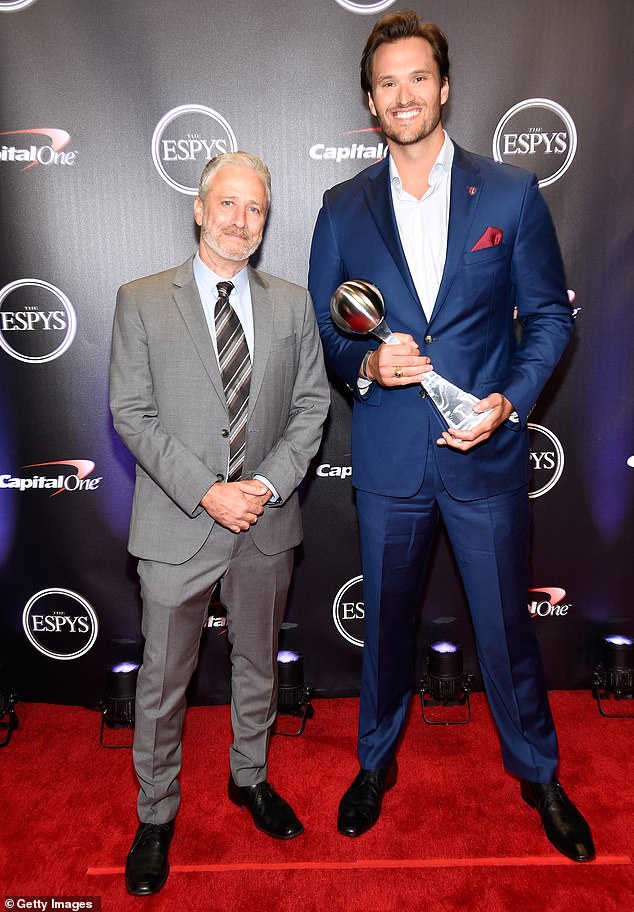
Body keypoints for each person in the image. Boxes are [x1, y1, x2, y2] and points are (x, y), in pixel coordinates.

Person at [308, 10, 593, 862]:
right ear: (371, 100)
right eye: (388, 82)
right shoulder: (339, 208)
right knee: (385, 624)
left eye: (418, 77)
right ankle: (373, 763)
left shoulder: (509, 193)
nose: (404, 94)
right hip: (391, 459)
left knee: (507, 629)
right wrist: (369, 364)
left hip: (489, 457)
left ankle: (539, 773)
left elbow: (547, 317)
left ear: (445, 87)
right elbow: (332, 334)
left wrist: (508, 399)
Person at [110, 151, 329, 895]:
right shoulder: (140, 300)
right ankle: (156, 815)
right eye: (228, 205)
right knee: (163, 682)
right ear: (200, 209)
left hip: (265, 522)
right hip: (178, 523)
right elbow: (131, 414)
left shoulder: (293, 305)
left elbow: (311, 409)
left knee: (258, 667)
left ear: (267, 222)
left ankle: (250, 779)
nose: (241, 220)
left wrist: (262, 486)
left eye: (256, 209)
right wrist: (209, 491)